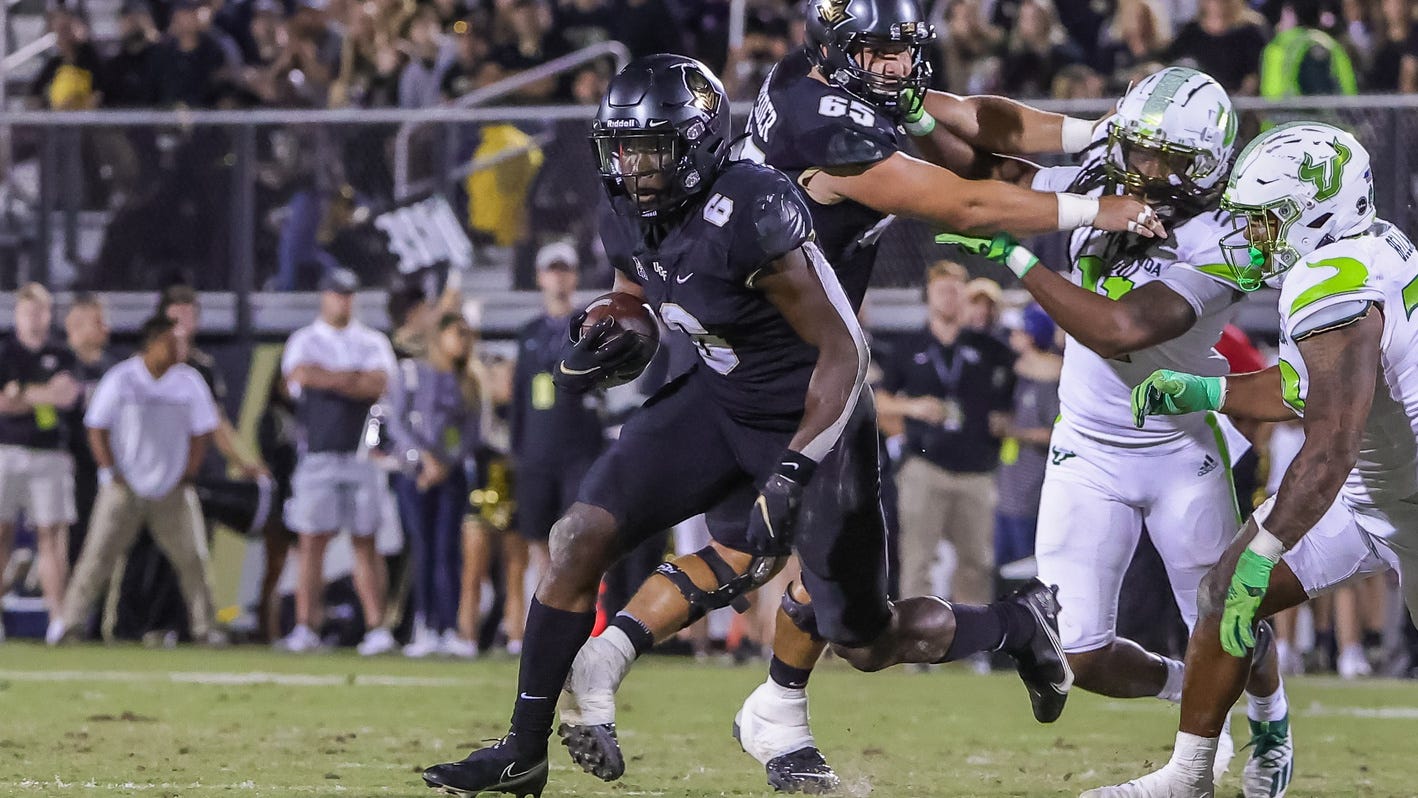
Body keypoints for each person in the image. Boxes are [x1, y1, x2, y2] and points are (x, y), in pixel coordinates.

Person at [420, 54, 1068, 798]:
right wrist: (618, 324)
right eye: (623, 146)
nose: (633, 165)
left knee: (863, 635)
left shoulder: (755, 207)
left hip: (812, 413)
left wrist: (795, 466)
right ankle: (522, 751)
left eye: (651, 148)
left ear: (697, 143)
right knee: (578, 536)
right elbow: (637, 288)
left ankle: (1016, 626)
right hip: (720, 397)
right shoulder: (623, 201)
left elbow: (843, 352)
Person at [559, 0, 1168, 787]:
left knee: (837, 610)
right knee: (758, 553)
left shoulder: (826, 84)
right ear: (837, 49)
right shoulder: (825, 130)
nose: (898, 68)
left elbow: (975, 116)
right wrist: (1096, 205)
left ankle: (766, 700)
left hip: (797, 362)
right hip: (784, 362)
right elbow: (966, 203)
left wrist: (1097, 132)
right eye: (879, 53)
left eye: (902, 51)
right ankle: (688, 694)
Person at [939, 67, 1294, 797]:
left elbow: (1121, 330)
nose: (1150, 172)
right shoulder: (1112, 170)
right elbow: (987, 158)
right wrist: (915, 117)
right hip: (1086, 452)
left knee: (1229, 619)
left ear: (1212, 165)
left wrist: (1016, 258)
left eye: (1171, 161)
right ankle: (1187, 692)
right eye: (1142, 152)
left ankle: (1269, 724)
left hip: (1179, 453)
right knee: (1076, 651)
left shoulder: (1230, 230)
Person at [1094, 122, 1412, 798]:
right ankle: (1189, 775)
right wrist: (1209, 390)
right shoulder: (1370, 248)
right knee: (1221, 590)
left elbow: (1330, 441)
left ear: (1317, 214)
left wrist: (1267, 547)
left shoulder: (1334, 279)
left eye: (1270, 220)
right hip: (1369, 492)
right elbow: (1311, 389)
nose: (1255, 237)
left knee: (1244, 572)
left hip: (1394, 495)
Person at [55, 315, 220, 645]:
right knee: (96, 558)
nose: (178, 349)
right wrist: (111, 469)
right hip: (124, 488)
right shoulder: (122, 378)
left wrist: (187, 473)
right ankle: (69, 625)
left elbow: (203, 431)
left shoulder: (189, 381)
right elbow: (97, 426)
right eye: (172, 342)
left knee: (194, 560)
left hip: (171, 490)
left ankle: (206, 628)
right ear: (154, 343)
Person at [877, 261, 1015, 614]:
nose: (951, 299)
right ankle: (913, 640)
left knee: (977, 560)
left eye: (957, 291)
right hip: (925, 465)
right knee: (918, 558)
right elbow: (879, 399)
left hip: (977, 468)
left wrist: (1005, 417)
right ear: (928, 298)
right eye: (943, 291)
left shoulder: (988, 347)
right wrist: (913, 407)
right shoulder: (910, 346)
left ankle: (973, 643)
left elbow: (1015, 382)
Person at [277, 268, 400, 655]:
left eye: (348, 294)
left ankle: (377, 628)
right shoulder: (303, 339)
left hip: (363, 454)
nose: (342, 300)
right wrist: (352, 380)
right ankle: (305, 627)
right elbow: (298, 377)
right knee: (311, 543)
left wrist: (326, 378)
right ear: (323, 297)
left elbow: (379, 383)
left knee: (365, 542)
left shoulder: (372, 340)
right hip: (318, 454)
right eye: (335, 294)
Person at [388, 313, 483, 658]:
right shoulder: (411, 372)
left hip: (449, 475)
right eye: (458, 334)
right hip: (414, 475)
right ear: (440, 335)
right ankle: (423, 625)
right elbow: (396, 421)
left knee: (448, 550)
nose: (463, 342)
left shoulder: (468, 381)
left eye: (467, 336)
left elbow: (472, 432)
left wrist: (446, 463)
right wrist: (421, 458)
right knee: (423, 547)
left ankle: (449, 628)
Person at [510, 243, 606, 578]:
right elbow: (520, 392)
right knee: (536, 534)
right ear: (540, 277)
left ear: (575, 276)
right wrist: (518, 447)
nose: (559, 279)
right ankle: (547, 605)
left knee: (574, 534)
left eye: (565, 270)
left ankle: (574, 610)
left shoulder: (592, 328)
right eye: (553, 270)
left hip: (578, 448)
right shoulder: (529, 333)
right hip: (537, 450)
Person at [0, 284, 81, 644]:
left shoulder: (62, 353)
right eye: (28, 311)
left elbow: (66, 397)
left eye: (41, 311)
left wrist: (22, 393)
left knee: (51, 535)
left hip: (50, 454)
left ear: (49, 315)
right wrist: (42, 394)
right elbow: (3, 404)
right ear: (17, 314)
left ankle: (58, 620)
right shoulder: (4, 350)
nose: (34, 318)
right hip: (6, 449)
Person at [994, 304, 1061, 568]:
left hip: (1032, 495)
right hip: (1007, 494)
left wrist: (1014, 432)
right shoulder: (1018, 374)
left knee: (1026, 574)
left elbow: (1056, 434)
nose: (1012, 338)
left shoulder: (1050, 379)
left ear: (1031, 335)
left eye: (1018, 332)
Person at [64, 294, 118, 573]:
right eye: (97, 321)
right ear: (75, 324)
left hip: (103, 469)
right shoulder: (58, 363)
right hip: (67, 468)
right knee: (69, 543)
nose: (105, 327)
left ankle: (99, 616)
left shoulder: (112, 369)